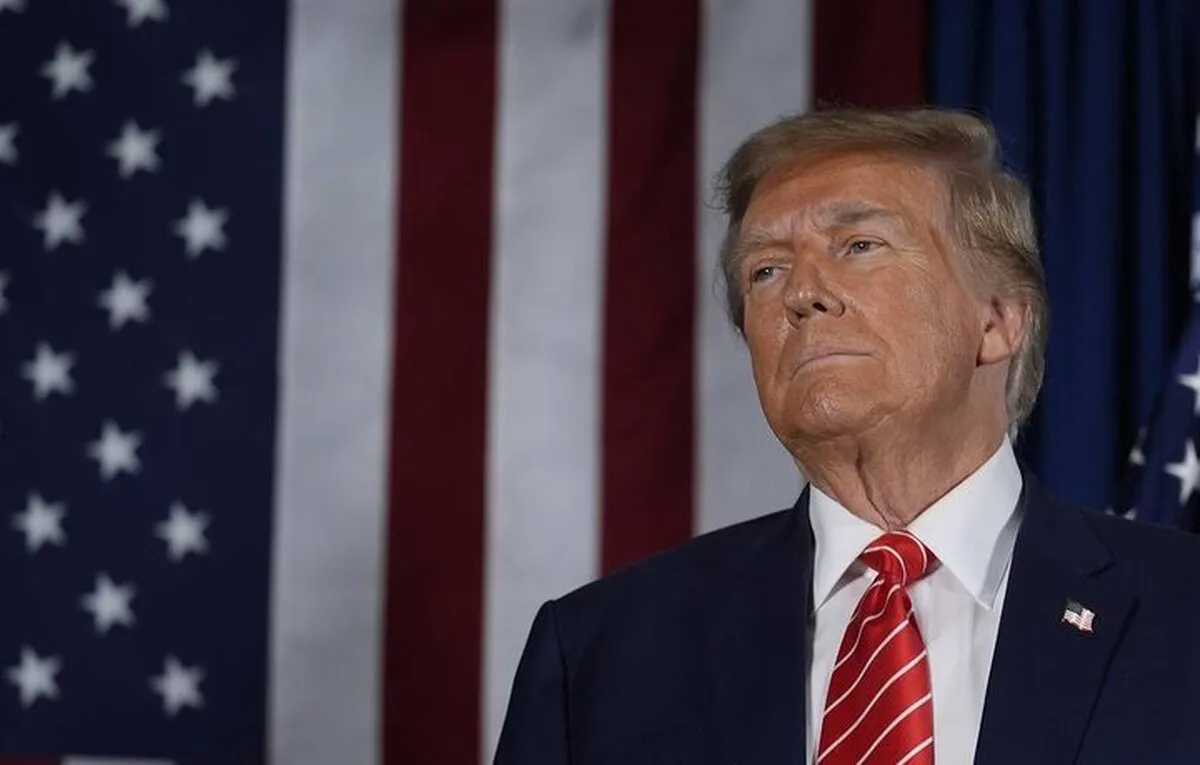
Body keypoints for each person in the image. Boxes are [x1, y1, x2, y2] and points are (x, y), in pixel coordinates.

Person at [492, 108, 1200, 764]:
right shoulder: (599, 656)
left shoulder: (1181, 608)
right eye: (766, 270)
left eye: (859, 245)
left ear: (996, 321)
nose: (801, 293)